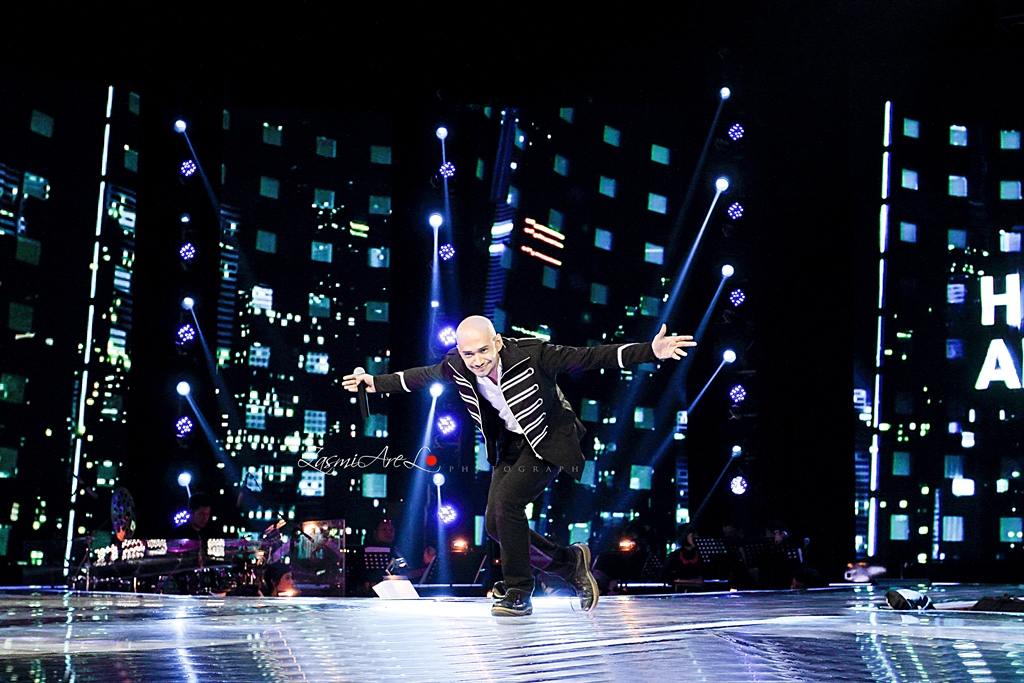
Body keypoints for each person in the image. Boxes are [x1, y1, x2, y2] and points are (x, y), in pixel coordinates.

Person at [343, 315, 695, 616]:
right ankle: (569, 563)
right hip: (512, 445)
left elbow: (590, 356)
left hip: (549, 440)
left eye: (484, 350)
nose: (477, 360)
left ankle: (519, 591)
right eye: (469, 354)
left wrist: (650, 351)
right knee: (495, 526)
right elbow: (418, 377)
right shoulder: (456, 366)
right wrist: (372, 383)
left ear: (497, 342)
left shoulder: (532, 354)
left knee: (509, 503)